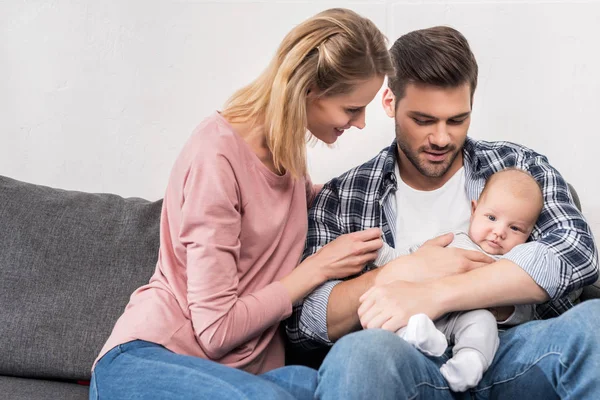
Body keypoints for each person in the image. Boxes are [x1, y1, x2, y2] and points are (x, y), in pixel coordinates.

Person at [89, 8, 394, 400]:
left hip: (240, 377)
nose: (361, 123)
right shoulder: (216, 158)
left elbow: (320, 206)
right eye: (352, 109)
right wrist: (317, 269)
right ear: (308, 91)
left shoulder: (289, 156)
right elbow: (215, 331)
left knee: (341, 385)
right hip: (150, 360)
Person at [286, 26, 600, 399]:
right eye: (423, 120)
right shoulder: (346, 196)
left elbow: (575, 252)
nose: (441, 138)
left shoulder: (519, 166)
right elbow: (306, 321)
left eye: (457, 120)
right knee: (361, 352)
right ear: (389, 103)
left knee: (594, 323)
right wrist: (397, 275)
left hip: (513, 353)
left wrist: (437, 294)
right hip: (408, 358)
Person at [372, 168, 544, 392]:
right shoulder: (452, 240)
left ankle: (468, 363)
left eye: (515, 228)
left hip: (470, 319)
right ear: (474, 211)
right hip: (429, 314)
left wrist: (500, 309)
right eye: (491, 218)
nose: (499, 232)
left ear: (528, 234)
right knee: (397, 314)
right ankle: (421, 338)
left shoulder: (511, 264)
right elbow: (410, 260)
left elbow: (525, 309)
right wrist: (381, 252)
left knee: (483, 322)